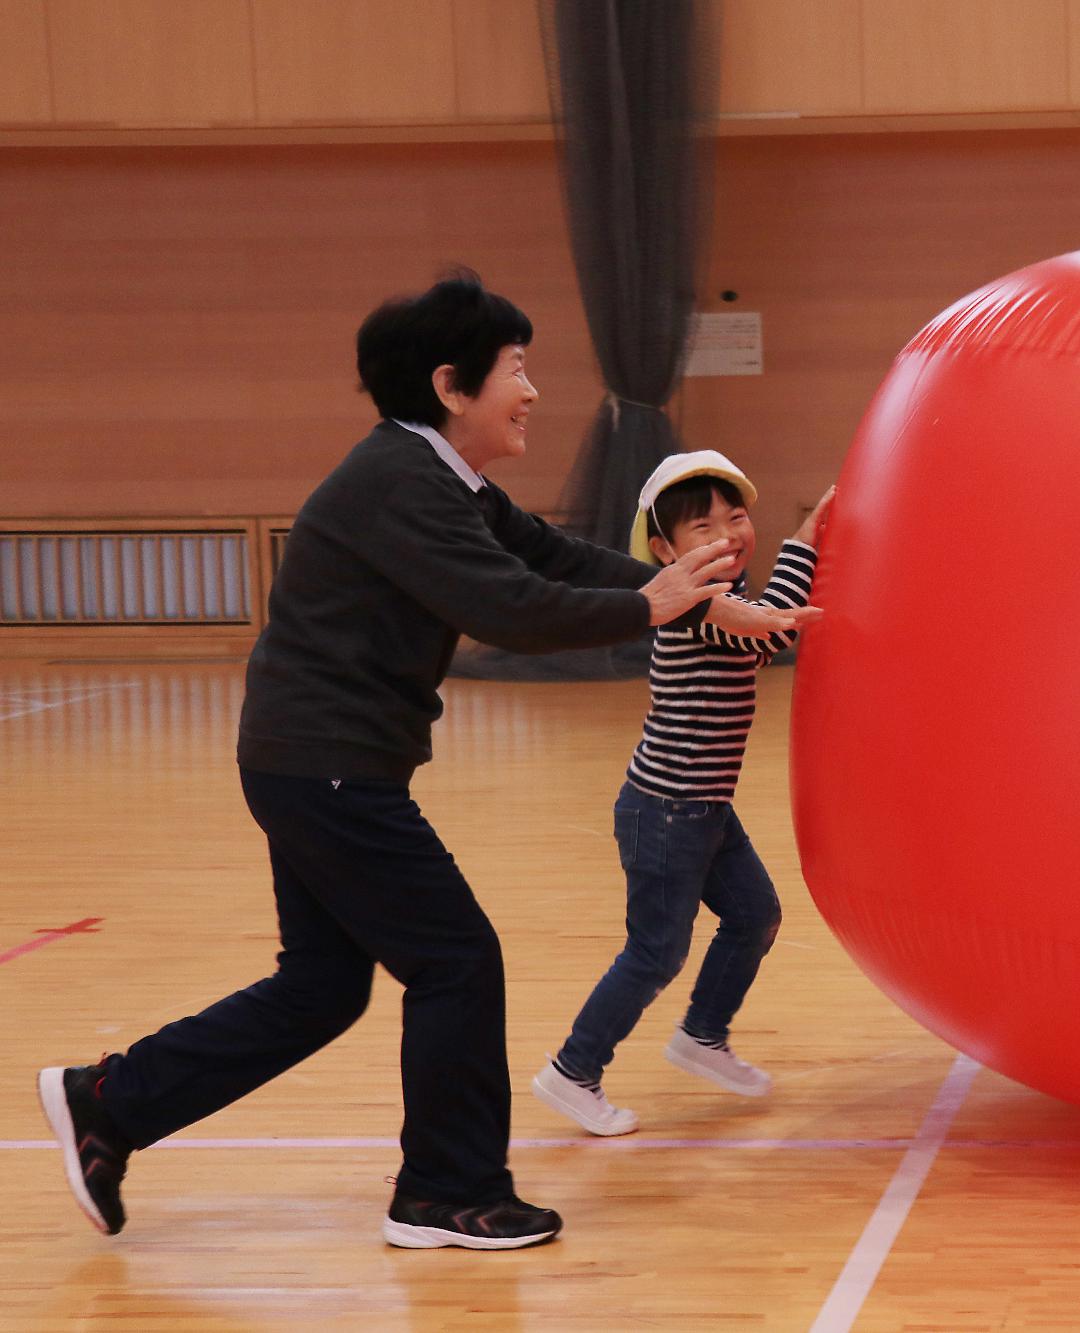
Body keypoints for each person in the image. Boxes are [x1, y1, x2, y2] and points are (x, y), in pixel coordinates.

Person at [36, 270, 808, 1250]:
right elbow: (512, 611)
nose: (531, 390)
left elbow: (555, 559)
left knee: (322, 984)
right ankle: (447, 1190)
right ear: (453, 386)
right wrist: (659, 604)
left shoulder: (445, 481)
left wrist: (699, 598)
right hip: (324, 766)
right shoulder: (400, 482)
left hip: (310, 762)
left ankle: (108, 1101)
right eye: (518, 368)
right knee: (456, 959)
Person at [532, 453, 830, 1135]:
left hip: (701, 809)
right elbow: (774, 625)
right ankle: (573, 1070)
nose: (728, 533)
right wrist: (805, 540)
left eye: (737, 517)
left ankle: (701, 1034)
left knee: (755, 914)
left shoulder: (723, 604)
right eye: (704, 526)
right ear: (665, 550)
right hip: (666, 813)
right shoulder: (693, 603)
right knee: (656, 951)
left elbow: (757, 630)